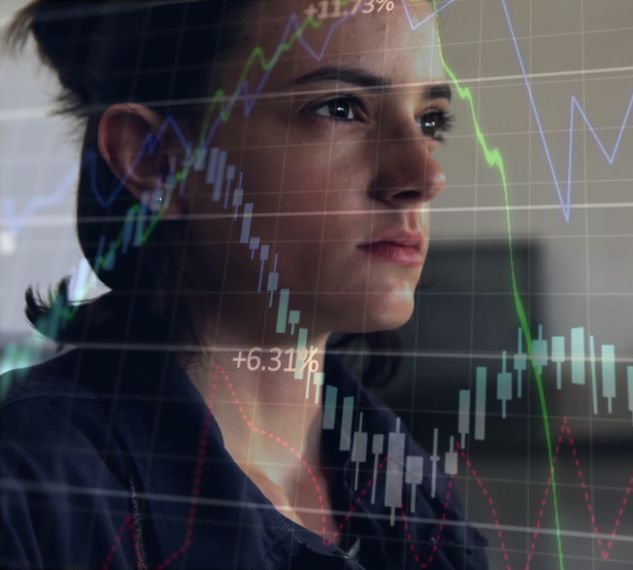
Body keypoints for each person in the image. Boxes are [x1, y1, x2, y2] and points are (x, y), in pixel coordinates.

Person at [0, 0, 489, 568]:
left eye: (431, 120)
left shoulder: (417, 497)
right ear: (156, 160)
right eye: (339, 107)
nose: (425, 176)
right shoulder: (27, 486)